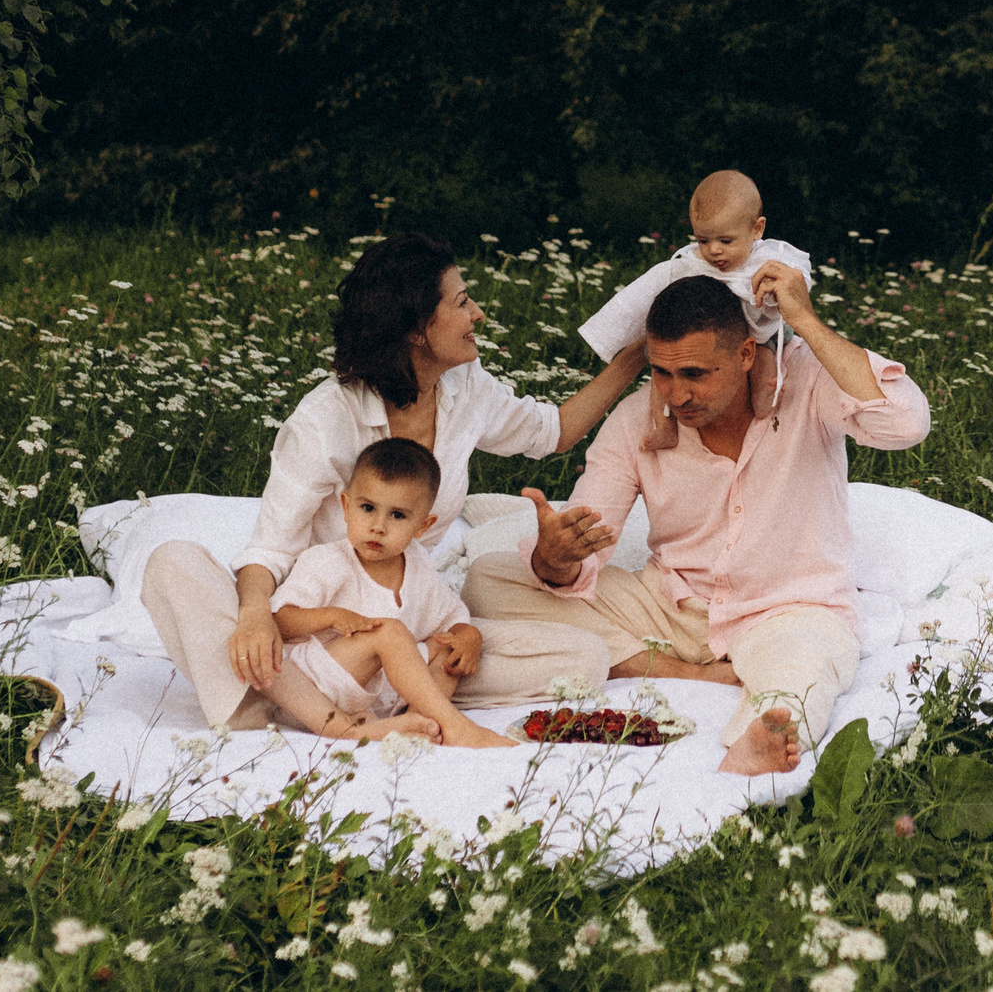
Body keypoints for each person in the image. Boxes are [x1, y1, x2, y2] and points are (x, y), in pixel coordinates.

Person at [142, 233, 645, 734]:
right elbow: (271, 550)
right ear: (416, 329)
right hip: (311, 640)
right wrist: (255, 615)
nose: (478, 316)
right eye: (463, 301)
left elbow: (553, 432)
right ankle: (280, 705)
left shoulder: (464, 387)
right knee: (172, 564)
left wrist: (636, 357)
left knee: (584, 655)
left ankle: (400, 700)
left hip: (408, 637)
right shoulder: (324, 418)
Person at [464, 267, 930, 776]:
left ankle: (759, 738)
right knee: (490, 578)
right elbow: (588, 536)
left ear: (746, 353)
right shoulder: (635, 420)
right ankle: (681, 672)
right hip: (669, 609)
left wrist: (806, 320)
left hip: (786, 608)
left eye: (695, 374)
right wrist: (554, 558)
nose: (675, 394)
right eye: (661, 372)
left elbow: (905, 423)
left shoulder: (807, 384)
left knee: (806, 663)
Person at [268, 438, 511, 747]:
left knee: (449, 649)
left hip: (380, 696)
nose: (378, 526)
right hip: (318, 685)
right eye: (367, 508)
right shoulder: (327, 561)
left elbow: (450, 617)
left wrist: (468, 635)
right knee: (390, 632)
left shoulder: (418, 563)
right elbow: (278, 621)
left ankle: (421, 720)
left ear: (422, 526)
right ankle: (453, 724)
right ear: (346, 507)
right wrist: (331, 616)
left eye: (397, 515)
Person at [576, 171, 811, 431]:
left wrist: (773, 291)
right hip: (696, 341)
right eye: (703, 240)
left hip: (758, 332)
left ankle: (769, 400)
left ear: (756, 229)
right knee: (661, 376)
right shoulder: (687, 265)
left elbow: (797, 280)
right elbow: (637, 298)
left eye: (725, 240)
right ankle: (663, 428)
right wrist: (608, 333)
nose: (714, 250)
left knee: (764, 368)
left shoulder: (769, 256)